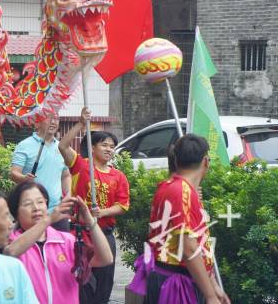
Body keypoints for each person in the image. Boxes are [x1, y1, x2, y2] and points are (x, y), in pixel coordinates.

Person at [140, 134, 229, 304]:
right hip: (176, 284)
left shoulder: (174, 187)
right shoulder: (182, 192)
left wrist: (213, 286)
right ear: (206, 161)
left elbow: (199, 244)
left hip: (176, 277)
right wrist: (210, 295)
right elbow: (189, 249)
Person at [58, 107, 130, 304]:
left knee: (104, 282)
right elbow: (63, 146)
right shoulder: (81, 165)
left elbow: (123, 205)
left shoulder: (118, 176)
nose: (109, 149)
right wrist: (81, 124)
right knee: (80, 281)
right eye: (104, 145)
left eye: (112, 146)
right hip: (80, 234)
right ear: (92, 147)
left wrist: (102, 212)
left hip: (105, 234)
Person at [3, 181, 113, 303]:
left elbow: (105, 259)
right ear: (15, 212)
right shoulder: (11, 242)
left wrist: (90, 221)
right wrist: (48, 219)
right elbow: (10, 252)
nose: (36, 208)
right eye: (28, 204)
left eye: (40, 202)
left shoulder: (67, 241)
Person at [10, 110, 70, 230]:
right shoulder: (24, 145)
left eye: (56, 118)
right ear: (37, 123)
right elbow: (13, 173)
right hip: (33, 212)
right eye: (49, 118)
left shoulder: (62, 148)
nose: (53, 122)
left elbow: (65, 175)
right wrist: (24, 178)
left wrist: (68, 195)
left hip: (57, 211)